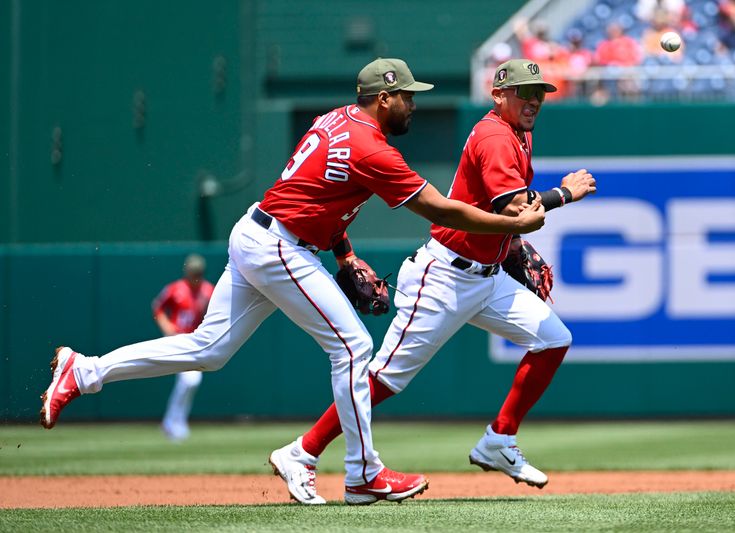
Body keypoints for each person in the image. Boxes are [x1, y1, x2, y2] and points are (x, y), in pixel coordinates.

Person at [40, 57, 547, 506]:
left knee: (208, 349)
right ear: (383, 97)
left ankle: (85, 372)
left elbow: (317, 194)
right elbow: (439, 208)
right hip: (280, 245)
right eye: (407, 97)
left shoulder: (334, 119)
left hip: (260, 230)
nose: (413, 105)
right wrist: (513, 226)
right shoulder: (374, 148)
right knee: (352, 347)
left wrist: (345, 257)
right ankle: (364, 473)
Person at [268, 59, 596, 504]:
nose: (534, 99)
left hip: (487, 276)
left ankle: (499, 439)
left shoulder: (518, 131)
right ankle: (301, 451)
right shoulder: (497, 135)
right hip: (443, 277)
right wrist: (563, 194)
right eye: (524, 91)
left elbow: (498, 212)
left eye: (539, 92)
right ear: (499, 94)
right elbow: (517, 214)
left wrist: (512, 248)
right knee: (384, 377)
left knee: (553, 338)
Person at [153, 254, 215, 442]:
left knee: (190, 381)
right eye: (192, 272)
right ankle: (174, 422)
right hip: (177, 338)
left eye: (198, 273)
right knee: (190, 380)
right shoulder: (175, 288)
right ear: (187, 272)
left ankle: (172, 422)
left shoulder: (208, 290)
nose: (195, 276)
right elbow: (157, 306)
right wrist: (166, 326)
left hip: (196, 340)